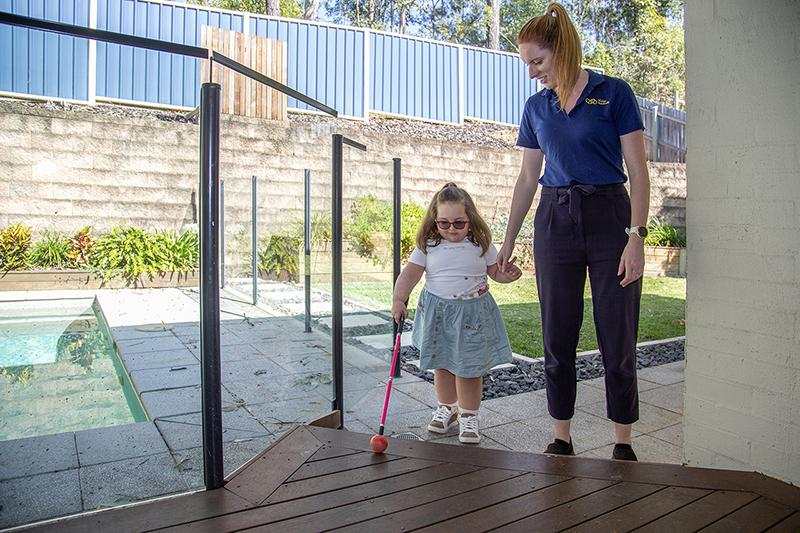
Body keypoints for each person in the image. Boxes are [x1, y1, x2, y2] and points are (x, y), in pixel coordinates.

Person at [496, 2, 651, 461]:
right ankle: (560, 435)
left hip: (609, 217)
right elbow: (528, 179)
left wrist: (636, 237)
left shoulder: (613, 93)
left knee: (617, 333)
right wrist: (507, 243)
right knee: (557, 333)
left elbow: (638, 171)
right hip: (555, 220)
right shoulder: (536, 107)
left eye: (537, 62)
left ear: (562, 51)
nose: (531, 73)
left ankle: (623, 442)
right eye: (526, 63)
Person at [392, 183, 522, 444]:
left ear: (471, 219)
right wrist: (398, 298)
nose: (451, 229)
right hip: (438, 313)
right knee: (442, 364)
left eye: (459, 223)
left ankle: (469, 415)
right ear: (434, 220)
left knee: (469, 369)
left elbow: (495, 273)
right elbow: (410, 274)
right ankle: (447, 407)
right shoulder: (428, 245)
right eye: (444, 223)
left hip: (472, 315)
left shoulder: (481, 244)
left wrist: (506, 276)